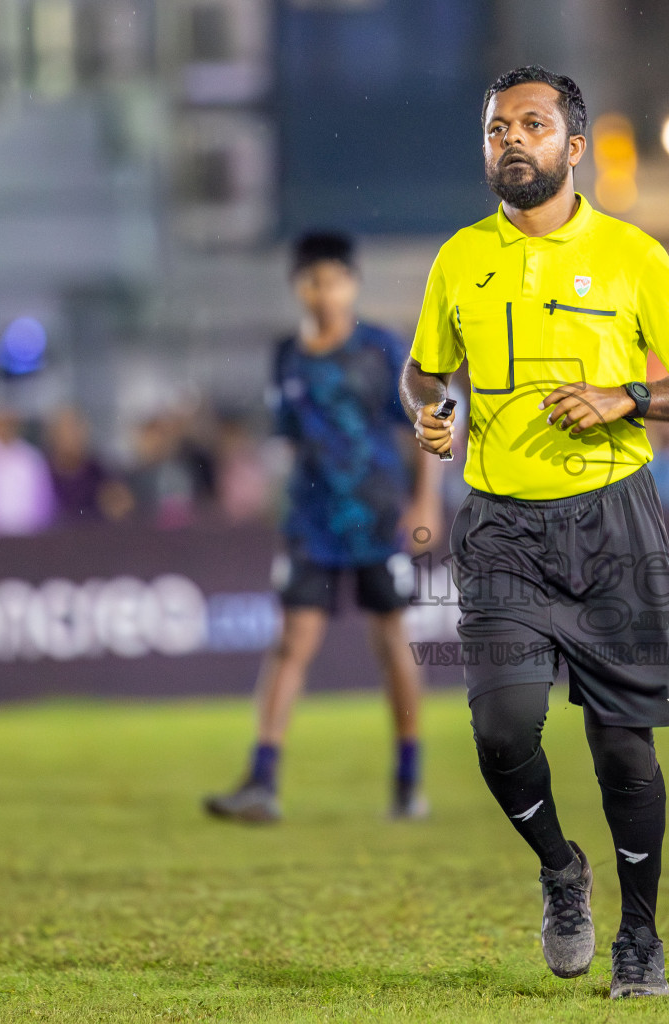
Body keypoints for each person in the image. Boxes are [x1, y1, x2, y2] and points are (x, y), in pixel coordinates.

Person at [401, 66, 669, 999]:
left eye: (532, 125)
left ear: (572, 147)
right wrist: (431, 412)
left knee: (625, 748)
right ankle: (559, 868)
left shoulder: (633, 256)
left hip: (615, 526)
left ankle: (641, 938)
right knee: (503, 732)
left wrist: (627, 396)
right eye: (497, 127)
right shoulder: (459, 258)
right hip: (502, 526)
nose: (510, 139)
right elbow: (426, 375)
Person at [204, 231, 441, 824]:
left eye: (334, 279)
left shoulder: (381, 349)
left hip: (378, 518)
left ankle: (408, 778)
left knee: (391, 643)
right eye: (312, 280)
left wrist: (426, 502)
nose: (324, 292)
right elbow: (285, 438)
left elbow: (431, 424)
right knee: (291, 644)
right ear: (297, 287)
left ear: (352, 284)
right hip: (312, 523)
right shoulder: (286, 354)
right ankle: (262, 780)